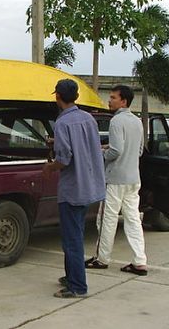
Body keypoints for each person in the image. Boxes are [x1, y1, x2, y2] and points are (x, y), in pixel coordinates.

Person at [43, 79, 106, 298]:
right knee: (76, 234)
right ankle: (72, 275)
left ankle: (77, 285)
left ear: (57, 96)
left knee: (72, 240)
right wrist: (56, 141)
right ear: (76, 97)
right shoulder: (88, 118)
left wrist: (50, 167)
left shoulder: (62, 123)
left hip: (72, 189)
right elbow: (85, 146)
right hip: (89, 187)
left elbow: (64, 159)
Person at [85, 85, 148, 276]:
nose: (109, 100)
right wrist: (110, 148)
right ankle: (140, 261)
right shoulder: (137, 121)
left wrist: (101, 154)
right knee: (133, 219)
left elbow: (116, 150)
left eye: (113, 97)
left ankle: (102, 258)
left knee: (106, 219)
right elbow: (138, 150)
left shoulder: (116, 121)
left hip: (115, 179)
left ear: (123, 101)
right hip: (133, 178)